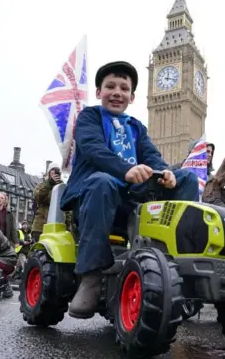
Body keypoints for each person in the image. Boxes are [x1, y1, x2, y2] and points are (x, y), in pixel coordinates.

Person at [58, 61, 199, 319]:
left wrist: (165, 173)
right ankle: (91, 277)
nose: (117, 92)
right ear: (99, 92)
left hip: (129, 201)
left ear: (132, 97)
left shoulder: (136, 127)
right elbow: (93, 148)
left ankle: (183, 269)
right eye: (110, 86)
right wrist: (125, 170)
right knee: (103, 181)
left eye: (124, 88)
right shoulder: (90, 117)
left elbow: (151, 156)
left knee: (186, 178)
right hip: (94, 197)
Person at [32, 162, 64, 242]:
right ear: (49, 172)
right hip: (41, 227)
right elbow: (38, 196)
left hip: (57, 228)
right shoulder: (42, 185)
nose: (55, 172)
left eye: (57, 171)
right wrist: (50, 183)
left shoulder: (63, 187)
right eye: (53, 170)